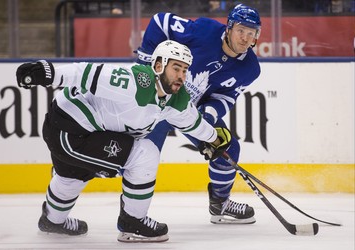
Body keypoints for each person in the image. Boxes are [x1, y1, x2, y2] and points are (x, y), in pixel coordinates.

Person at [15, 40, 231, 242]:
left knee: (71, 176)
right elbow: (86, 74)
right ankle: (132, 223)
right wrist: (48, 73)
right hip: (71, 132)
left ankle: (52, 221)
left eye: (185, 70)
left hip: (75, 132)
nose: (181, 76)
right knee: (144, 153)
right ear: (158, 65)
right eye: (176, 68)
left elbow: (192, 122)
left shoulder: (176, 98)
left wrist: (213, 139)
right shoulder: (135, 81)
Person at [136, 4, 262, 224]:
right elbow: (160, 21)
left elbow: (227, 97)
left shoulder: (250, 68)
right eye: (241, 30)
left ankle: (220, 204)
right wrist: (145, 67)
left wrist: (209, 115)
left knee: (228, 147)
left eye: (251, 33)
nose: (245, 37)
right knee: (143, 156)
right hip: (161, 100)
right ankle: (132, 218)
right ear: (229, 28)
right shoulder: (204, 30)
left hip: (189, 111)